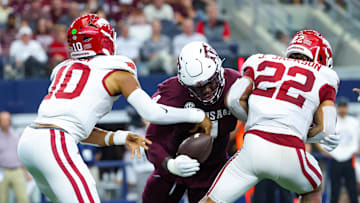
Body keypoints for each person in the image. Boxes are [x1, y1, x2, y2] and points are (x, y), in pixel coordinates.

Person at [17, 14, 211, 203]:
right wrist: (195, 114)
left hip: (29, 141)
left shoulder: (63, 69)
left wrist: (120, 136)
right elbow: (151, 113)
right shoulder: (117, 70)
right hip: (54, 142)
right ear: (104, 40)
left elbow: (77, 129)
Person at [200, 30, 341, 203]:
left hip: (253, 148)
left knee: (211, 199)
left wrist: (258, 120)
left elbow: (233, 100)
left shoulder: (259, 61)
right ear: (321, 58)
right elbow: (327, 129)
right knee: (314, 188)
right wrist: (302, 134)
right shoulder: (326, 76)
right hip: (291, 152)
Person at [142, 41, 242, 203]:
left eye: (211, 82)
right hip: (172, 166)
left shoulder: (236, 84)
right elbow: (150, 141)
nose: (207, 90)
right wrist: (169, 164)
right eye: (199, 87)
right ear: (185, 84)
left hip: (213, 168)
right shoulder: (174, 92)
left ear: (219, 70)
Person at [316, 97, 359, 203]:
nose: (342, 109)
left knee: (352, 188)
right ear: (337, 108)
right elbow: (318, 136)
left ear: (347, 108)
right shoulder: (332, 122)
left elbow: (358, 137)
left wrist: (357, 149)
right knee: (335, 188)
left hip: (349, 158)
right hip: (335, 159)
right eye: (340, 107)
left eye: (344, 106)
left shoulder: (354, 122)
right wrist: (323, 151)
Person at [0, 111, 30, 203]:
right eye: (2, 120)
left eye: (7, 120)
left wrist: (27, 172)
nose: (5, 122)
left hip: (17, 171)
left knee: (23, 199)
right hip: (2, 172)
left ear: (10, 121)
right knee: (2, 199)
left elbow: (20, 155)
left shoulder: (16, 136)